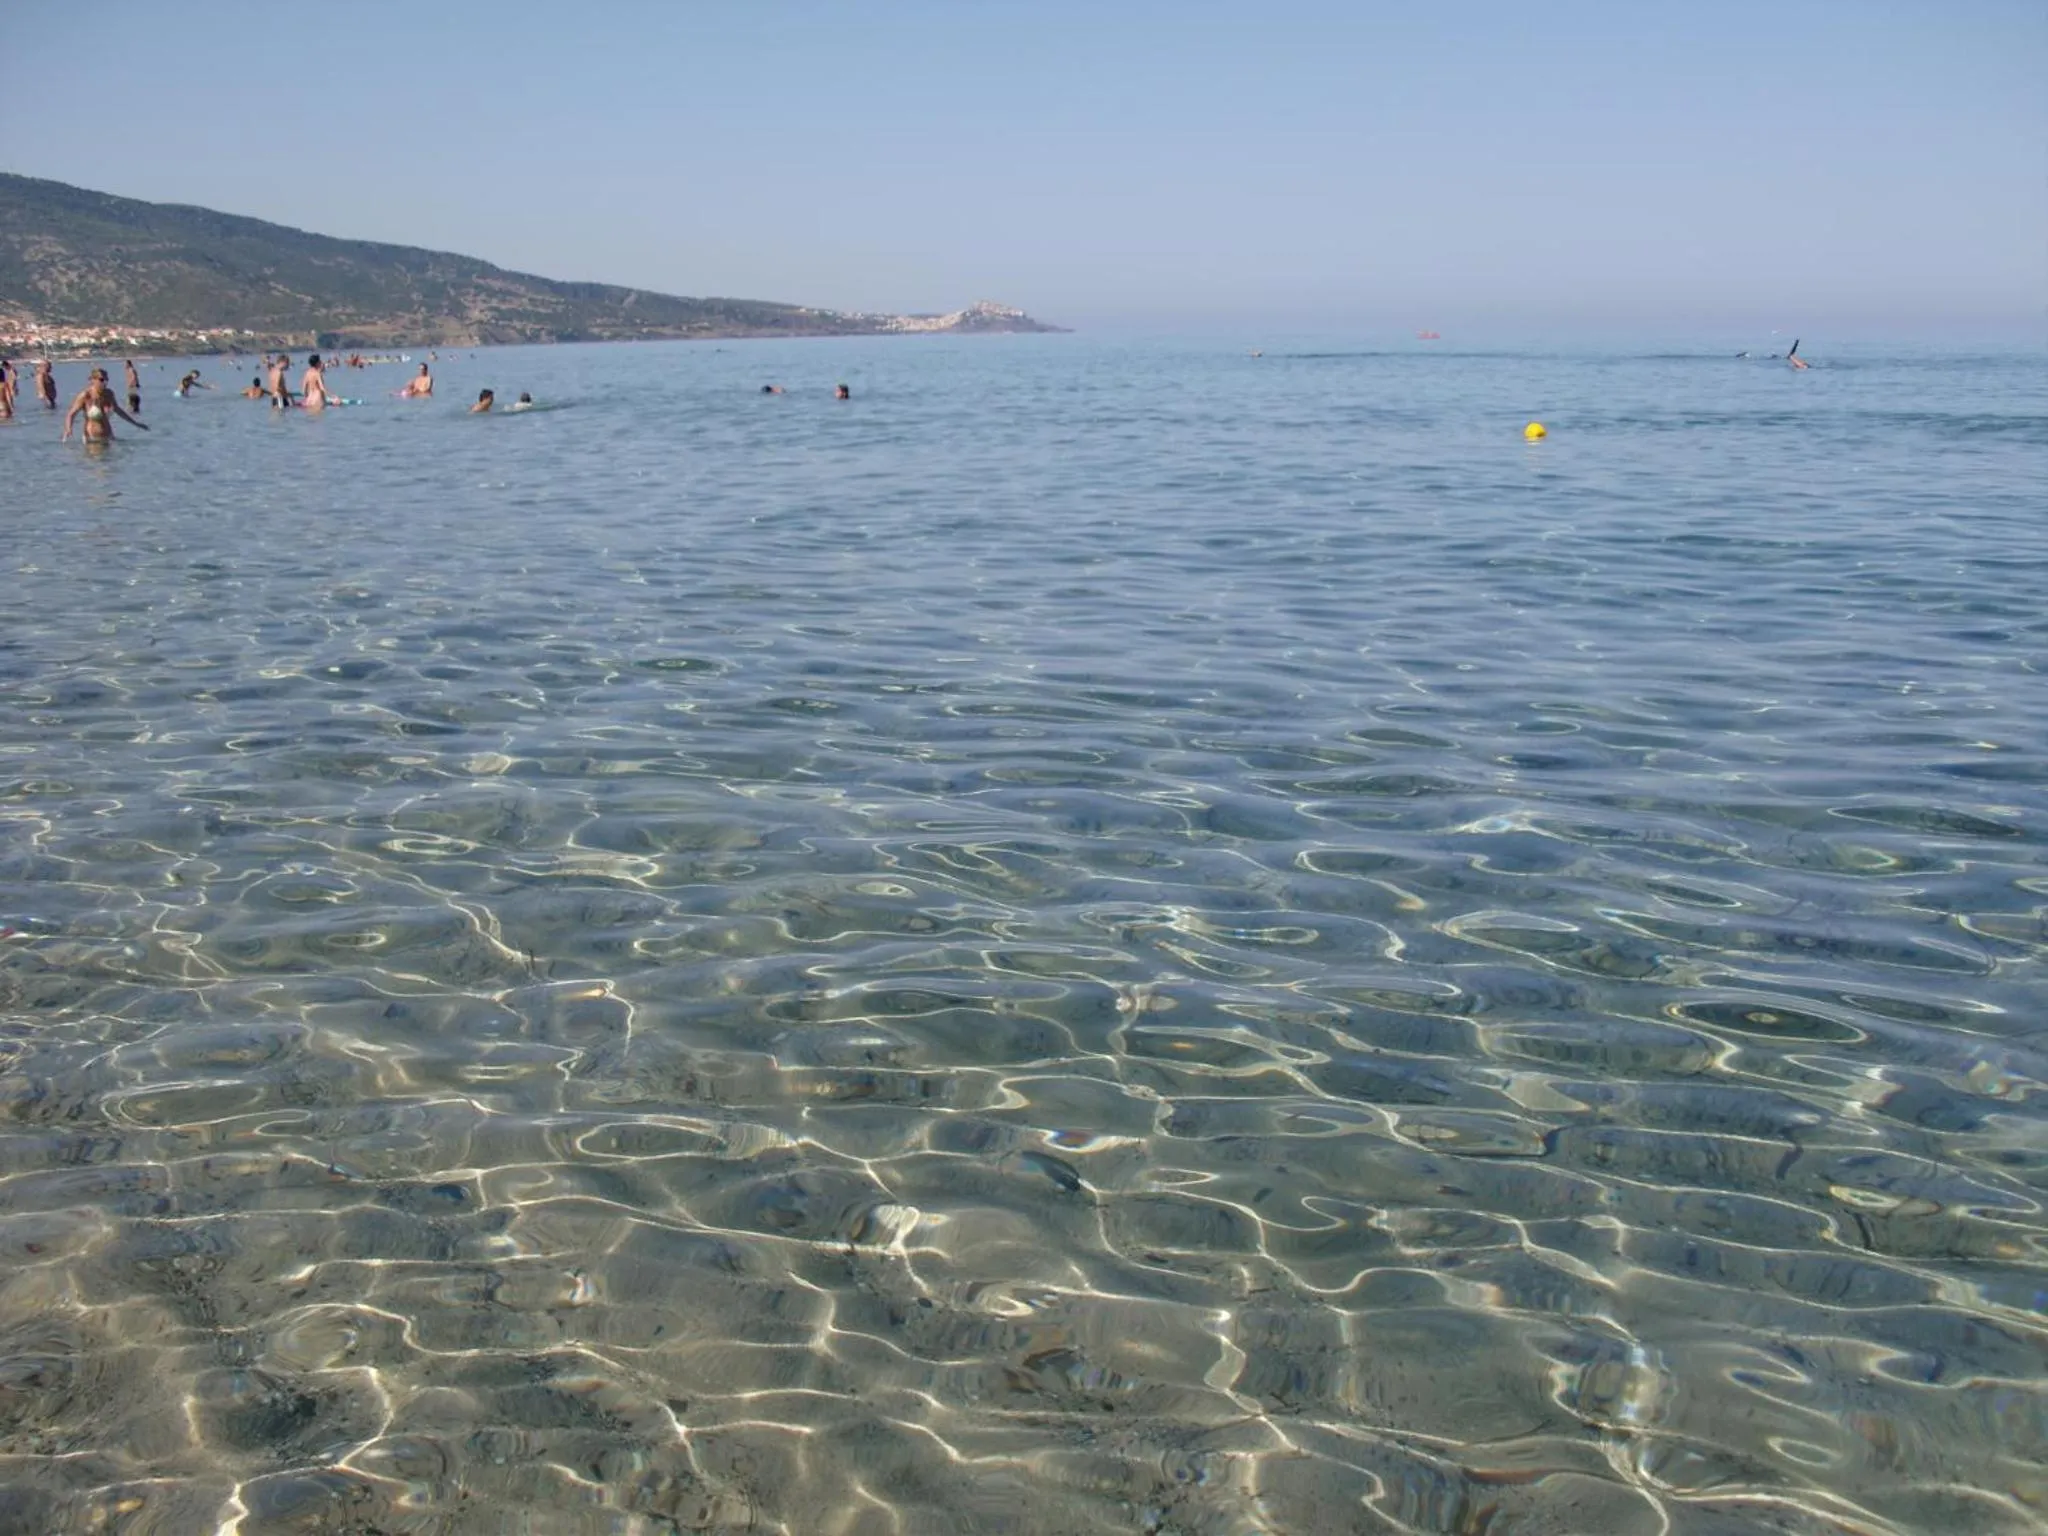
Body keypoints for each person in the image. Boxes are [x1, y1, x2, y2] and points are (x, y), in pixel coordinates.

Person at [61, 367, 149, 443]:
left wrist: (136, 424)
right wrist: (68, 429)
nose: (105, 382)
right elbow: (71, 414)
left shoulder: (108, 394)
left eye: (106, 380)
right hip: (92, 439)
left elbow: (118, 410)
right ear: (93, 380)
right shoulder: (86, 395)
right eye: (101, 380)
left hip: (108, 436)